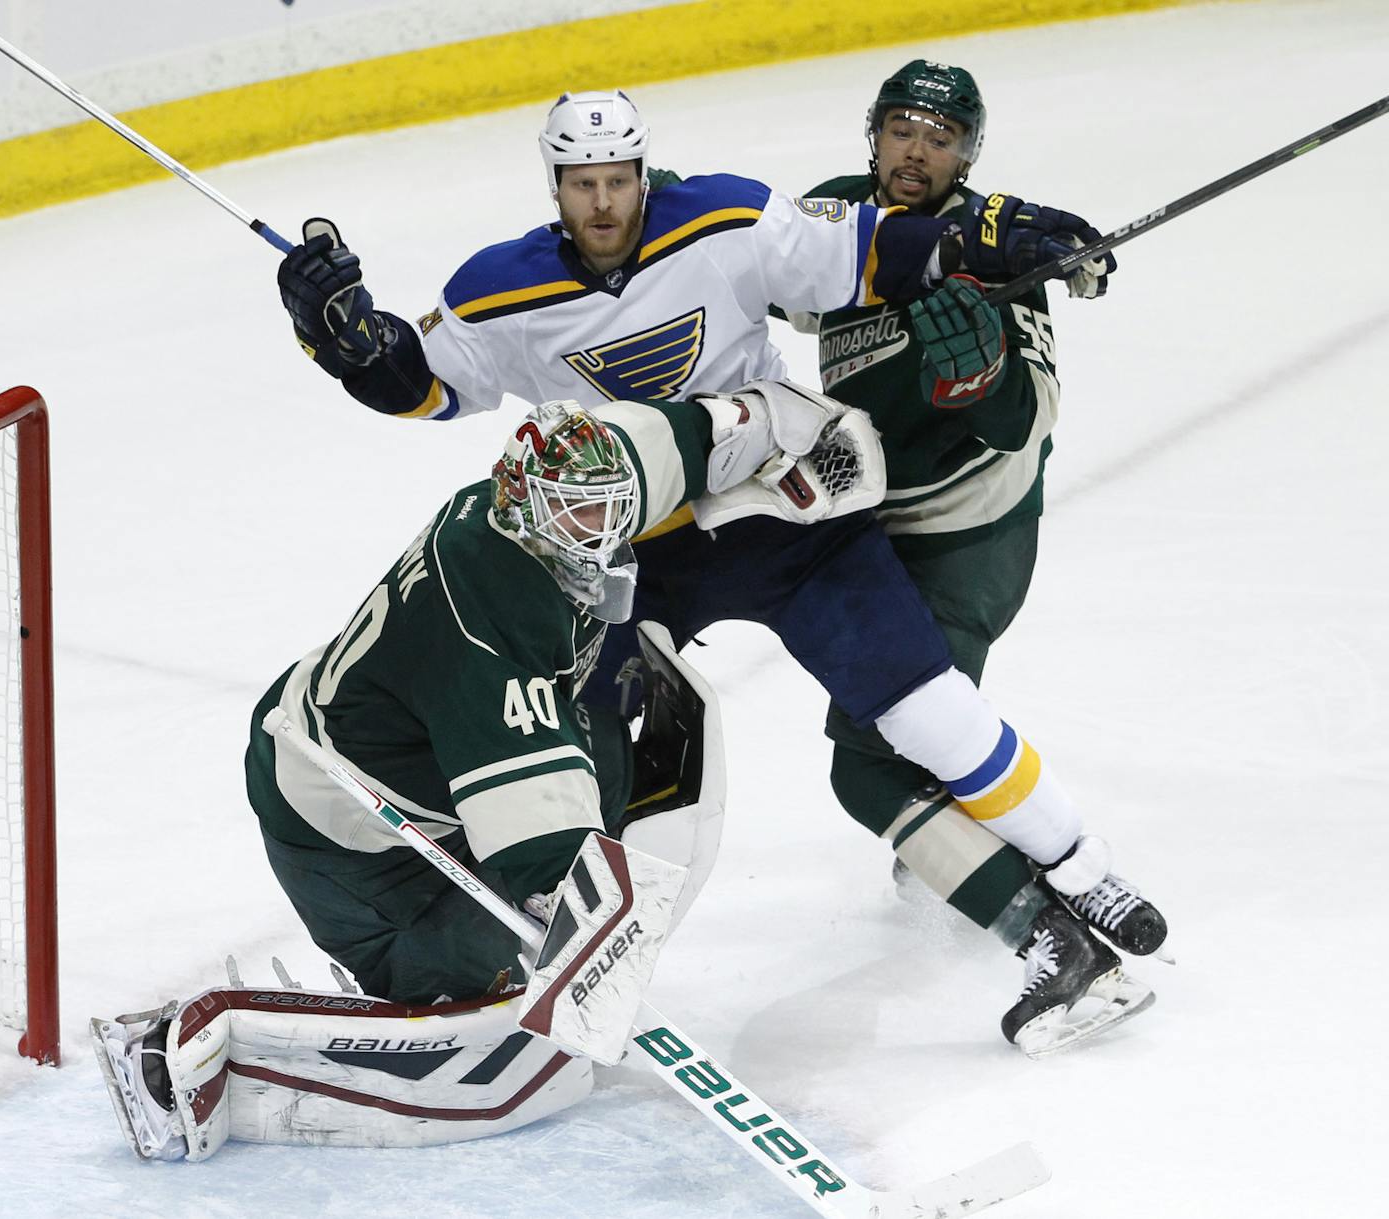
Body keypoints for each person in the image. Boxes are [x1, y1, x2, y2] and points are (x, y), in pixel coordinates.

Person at [272, 88, 1154, 1052]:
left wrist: (999, 237)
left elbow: (880, 252)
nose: (603, 204)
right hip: (635, 560)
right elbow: (422, 384)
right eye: (583, 185)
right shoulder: (503, 288)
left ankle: (1079, 870)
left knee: (920, 705)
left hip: (783, 509)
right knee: (583, 750)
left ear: (643, 174)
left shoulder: (727, 219)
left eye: (617, 181)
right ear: (556, 186)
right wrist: (348, 341)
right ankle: (536, 954)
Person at [91, 385, 852, 1161]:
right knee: (499, 964)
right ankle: (176, 1049)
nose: (604, 530)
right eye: (580, 515)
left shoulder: (575, 480)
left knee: (611, 766)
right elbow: (542, 851)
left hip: (397, 738)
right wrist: (587, 952)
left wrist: (785, 424)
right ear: (521, 504)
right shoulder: (492, 609)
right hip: (341, 829)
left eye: (612, 510)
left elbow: (686, 433)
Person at [789, 59, 1166, 1039]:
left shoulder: (1005, 263)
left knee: (872, 762)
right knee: (906, 748)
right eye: (902, 128)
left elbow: (1025, 421)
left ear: (965, 154)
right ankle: (1054, 870)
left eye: (941, 137)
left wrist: (981, 381)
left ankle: (1062, 937)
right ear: (870, 133)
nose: (917, 151)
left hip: (966, 540)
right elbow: (770, 273)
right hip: (868, 523)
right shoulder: (839, 214)